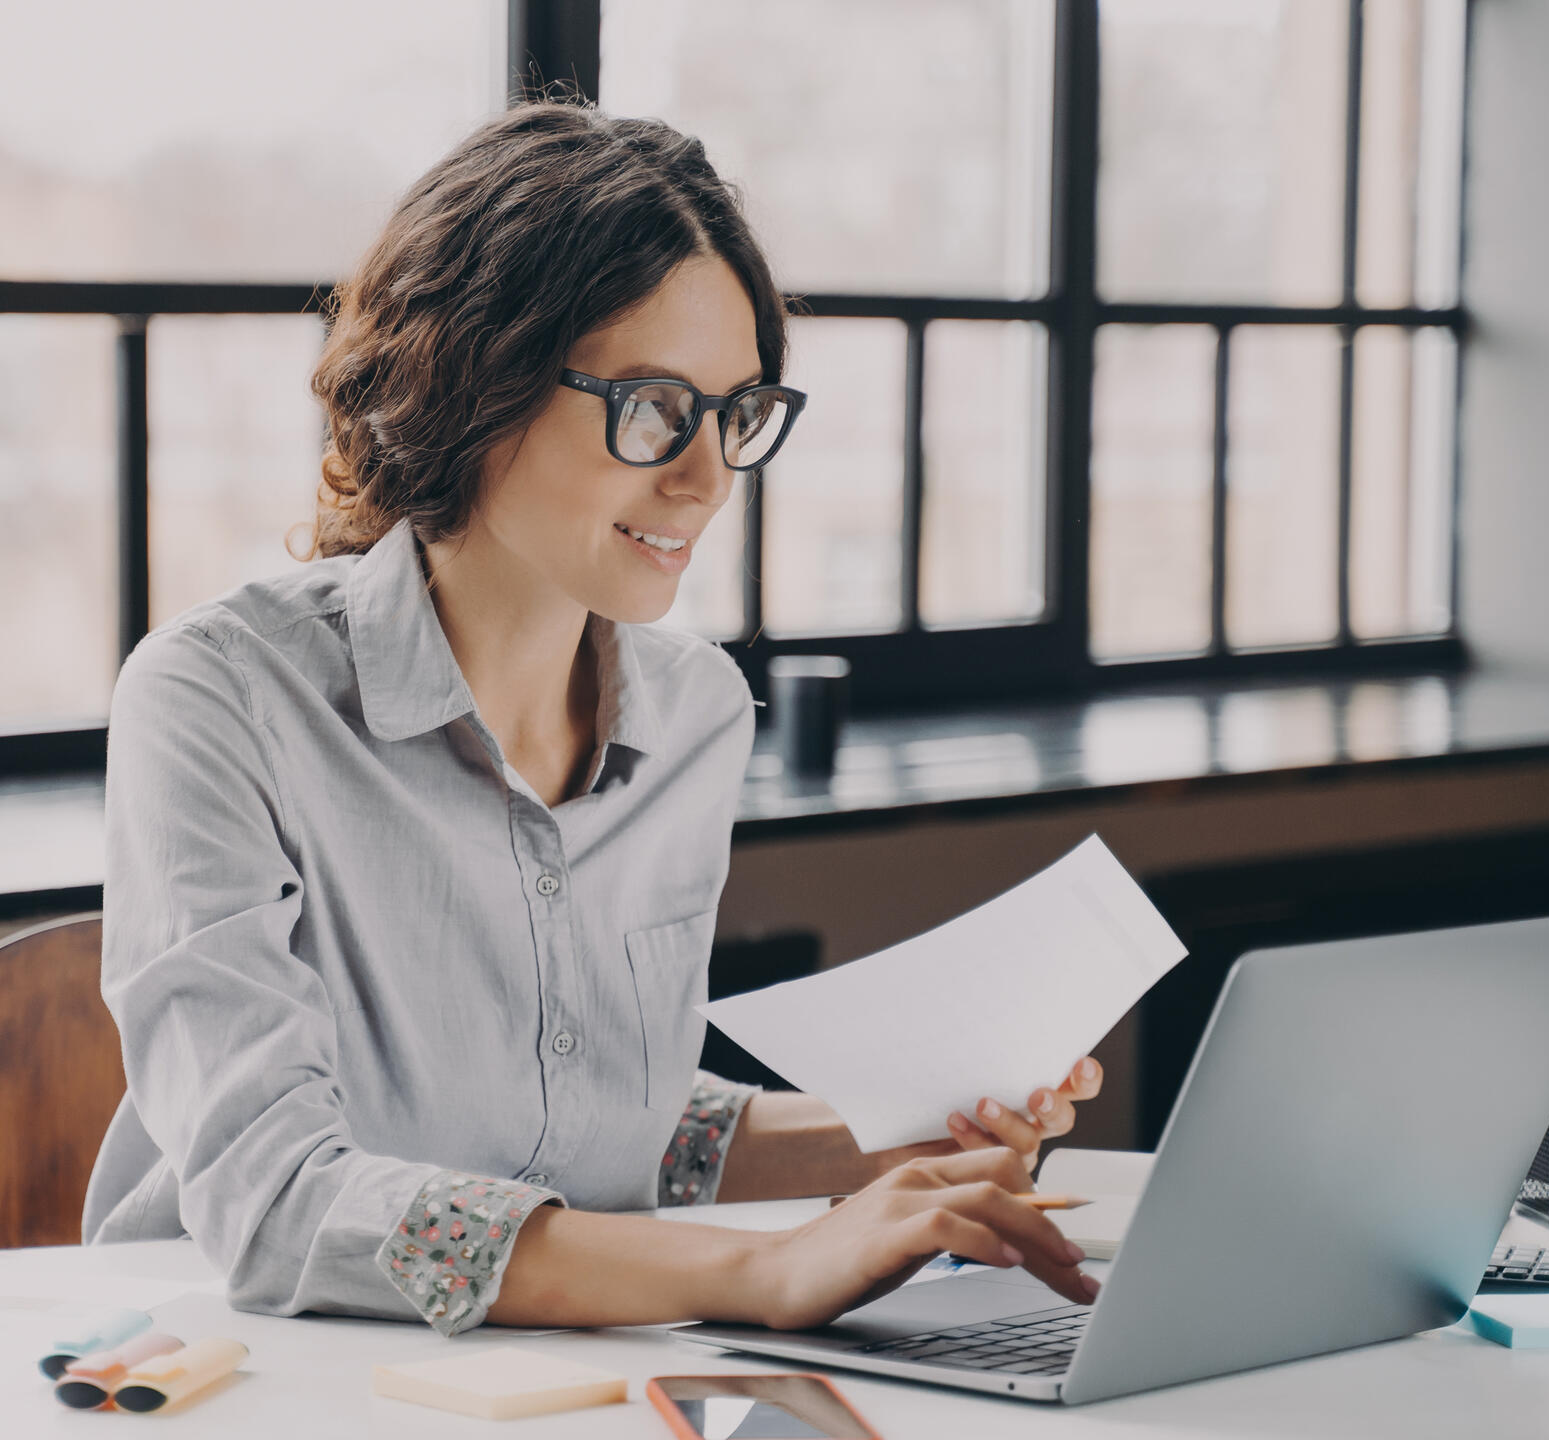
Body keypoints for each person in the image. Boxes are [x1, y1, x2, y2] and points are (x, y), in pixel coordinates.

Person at [81, 100, 1102, 1337]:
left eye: (735, 413)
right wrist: (763, 1273)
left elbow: (606, 1127)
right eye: (653, 406)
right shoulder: (219, 698)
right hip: (226, 1374)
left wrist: (911, 1139)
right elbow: (276, 1199)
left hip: (544, 1376)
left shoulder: (695, 715)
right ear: (475, 377)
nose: (706, 476)